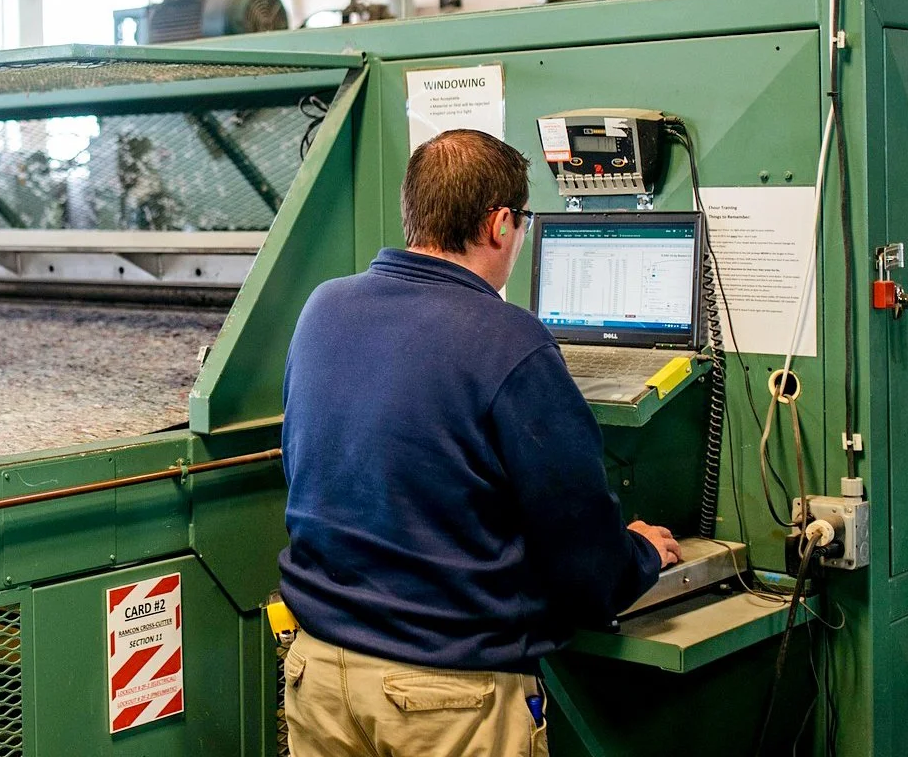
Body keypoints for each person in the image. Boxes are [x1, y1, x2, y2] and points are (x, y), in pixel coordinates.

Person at [278, 128, 680, 757]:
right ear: (499, 224)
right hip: (446, 697)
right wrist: (641, 556)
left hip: (319, 675)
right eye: (522, 223)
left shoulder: (324, 308)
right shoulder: (509, 339)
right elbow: (582, 553)